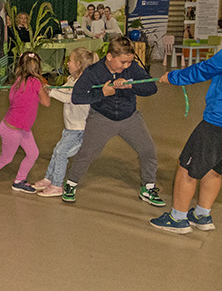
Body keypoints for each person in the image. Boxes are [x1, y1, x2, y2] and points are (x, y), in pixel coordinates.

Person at [149, 10, 222, 234]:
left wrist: (172, 77)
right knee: (216, 169)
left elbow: (203, 70)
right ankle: (202, 215)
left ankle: (178, 219)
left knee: (187, 168)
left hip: (220, 123)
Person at [62, 36, 165, 206]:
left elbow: (151, 88)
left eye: (129, 62)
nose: (126, 66)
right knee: (87, 153)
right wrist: (102, 93)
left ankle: (148, 187)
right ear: (110, 57)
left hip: (130, 117)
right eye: (123, 62)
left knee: (148, 150)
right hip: (102, 117)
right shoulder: (94, 71)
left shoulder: (133, 68)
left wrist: (131, 85)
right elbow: (77, 97)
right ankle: (71, 183)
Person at [0, 51, 51, 192]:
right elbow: (47, 102)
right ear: (37, 68)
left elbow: (15, 99)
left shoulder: (18, 81)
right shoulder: (36, 83)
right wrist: (44, 90)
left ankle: (19, 180)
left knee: (33, 153)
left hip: (22, 128)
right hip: (13, 130)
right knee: (6, 158)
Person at [32, 48, 97, 197]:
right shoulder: (71, 79)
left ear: (78, 64)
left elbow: (71, 98)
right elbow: (64, 90)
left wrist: (51, 92)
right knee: (57, 151)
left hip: (79, 128)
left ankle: (57, 185)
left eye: (71, 61)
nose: (67, 63)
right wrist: (50, 88)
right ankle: (49, 179)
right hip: (70, 127)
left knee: (61, 153)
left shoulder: (84, 83)